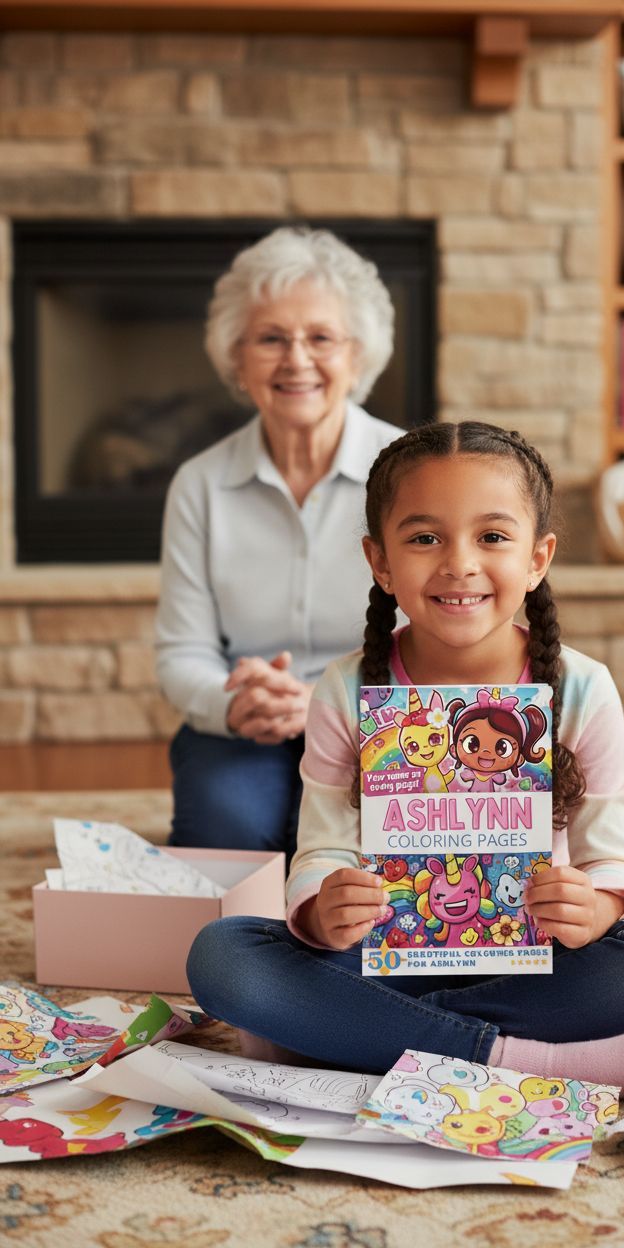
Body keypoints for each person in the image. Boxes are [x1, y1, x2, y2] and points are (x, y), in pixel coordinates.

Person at [187, 422, 624, 1103]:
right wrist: (322, 910)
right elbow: (321, 846)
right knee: (224, 958)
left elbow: (611, 856)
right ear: (380, 561)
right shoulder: (345, 689)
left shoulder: (583, 688)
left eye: (492, 536)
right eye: (424, 538)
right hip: (382, 955)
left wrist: (597, 905)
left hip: (535, 959)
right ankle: (530, 1057)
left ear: (538, 557)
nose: (459, 563)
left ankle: (339, 1037)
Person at [155, 227, 401, 859]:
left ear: (357, 356)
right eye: (271, 338)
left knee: (352, 852)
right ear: (237, 359)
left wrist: (325, 703)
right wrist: (233, 704)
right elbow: (182, 651)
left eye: (320, 337)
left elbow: (439, 635)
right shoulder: (200, 484)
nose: (296, 360)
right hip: (247, 721)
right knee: (228, 842)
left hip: (381, 719)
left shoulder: (409, 472)